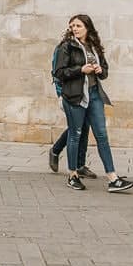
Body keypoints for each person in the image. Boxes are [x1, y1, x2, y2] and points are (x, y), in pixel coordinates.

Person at [52, 14, 133, 193]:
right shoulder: (66, 46)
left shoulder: (94, 46)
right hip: (74, 96)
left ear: (87, 27)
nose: (75, 28)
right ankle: (72, 175)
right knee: (75, 134)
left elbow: (105, 72)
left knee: (102, 135)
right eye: (72, 26)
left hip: (94, 95)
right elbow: (59, 72)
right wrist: (80, 69)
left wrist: (99, 69)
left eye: (78, 25)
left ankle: (113, 178)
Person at [48, 37, 92, 176]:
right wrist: (61, 94)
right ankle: (55, 151)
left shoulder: (86, 47)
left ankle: (80, 165)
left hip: (83, 93)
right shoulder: (63, 47)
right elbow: (58, 73)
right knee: (76, 127)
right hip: (68, 93)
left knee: (84, 126)